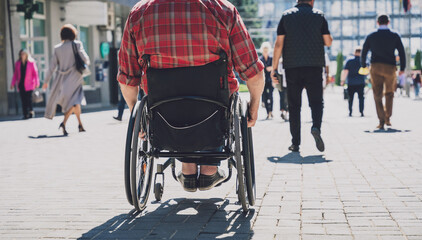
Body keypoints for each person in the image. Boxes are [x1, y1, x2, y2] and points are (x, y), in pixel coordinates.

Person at [117, 0, 264, 192]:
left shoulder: (139, 12)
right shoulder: (223, 9)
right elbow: (253, 72)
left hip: (164, 110)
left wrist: (136, 115)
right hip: (214, 105)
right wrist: (254, 105)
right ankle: (209, 169)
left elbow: (127, 78)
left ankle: (187, 169)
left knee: (176, 100)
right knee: (215, 99)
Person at [271, 0, 333, 152]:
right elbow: (328, 42)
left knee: (294, 106)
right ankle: (316, 127)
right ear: (312, 1)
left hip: (292, 67)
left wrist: (274, 68)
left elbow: (279, 44)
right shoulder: (319, 16)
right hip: (314, 66)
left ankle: (296, 143)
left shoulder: (286, 16)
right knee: (317, 102)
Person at [43, 24, 90, 136]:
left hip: (62, 80)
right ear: (73, 34)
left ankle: (80, 125)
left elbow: (52, 67)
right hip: (75, 77)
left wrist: (46, 81)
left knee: (75, 102)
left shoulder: (57, 48)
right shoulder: (77, 44)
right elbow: (86, 59)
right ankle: (64, 123)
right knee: (74, 102)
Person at [361, 14, 406, 129]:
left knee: (377, 94)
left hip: (375, 66)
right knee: (389, 93)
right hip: (390, 67)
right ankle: (387, 117)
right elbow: (401, 52)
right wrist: (402, 68)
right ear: (388, 22)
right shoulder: (394, 36)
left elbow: (364, 51)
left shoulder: (371, 36)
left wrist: (363, 65)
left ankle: (381, 120)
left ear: (377, 23)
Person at [10, 49, 40, 119]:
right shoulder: (17, 63)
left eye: (23, 54)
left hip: (29, 84)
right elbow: (15, 75)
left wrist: (37, 82)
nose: (22, 55)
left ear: (26, 55)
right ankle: (25, 114)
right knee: (23, 100)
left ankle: (31, 112)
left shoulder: (31, 63)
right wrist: (12, 83)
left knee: (28, 99)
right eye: (21, 54)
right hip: (21, 84)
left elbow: (35, 73)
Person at [341, 47, 366, 117]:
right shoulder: (363, 61)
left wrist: (342, 80)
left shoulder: (349, 61)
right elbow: (367, 72)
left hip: (351, 83)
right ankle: (361, 112)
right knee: (361, 98)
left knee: (350, 98)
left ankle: (350, 111)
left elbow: (345, 71)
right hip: (360, 82)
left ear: (355, 52)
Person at [260, 42, 274, 119]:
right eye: (264, 50)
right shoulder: (260, 59)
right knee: (264, 96)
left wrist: (271, 68)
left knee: (271, 96)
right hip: (263, 80)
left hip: (270, 79)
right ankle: (267, 112)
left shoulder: (271, 59)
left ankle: (271, 111)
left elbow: (275, 67)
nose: (265, 51)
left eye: (267, 50)